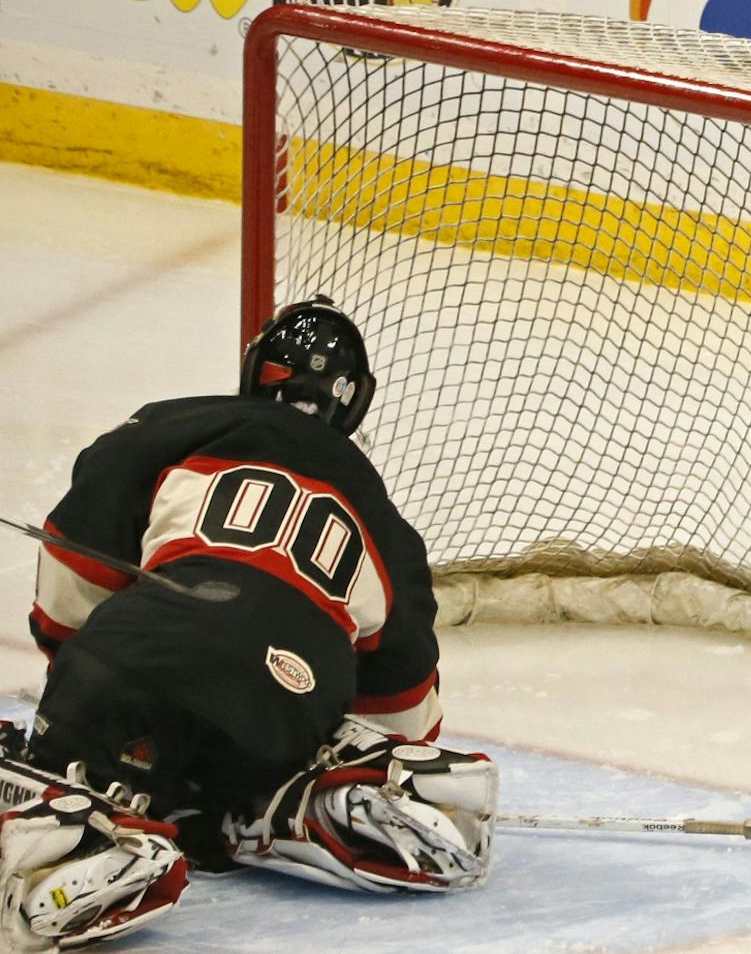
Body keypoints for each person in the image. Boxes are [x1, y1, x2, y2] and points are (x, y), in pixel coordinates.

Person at [0, 298, 495, 950]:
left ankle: (82, 827)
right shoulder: (389, 528)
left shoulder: (174, 424)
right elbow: (401, 715)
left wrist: (76, 666)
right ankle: (251, 810)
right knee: (247, 764)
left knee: (69, 760)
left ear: (257, 369)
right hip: (278, 709)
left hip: (128, 660)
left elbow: (74, 546)